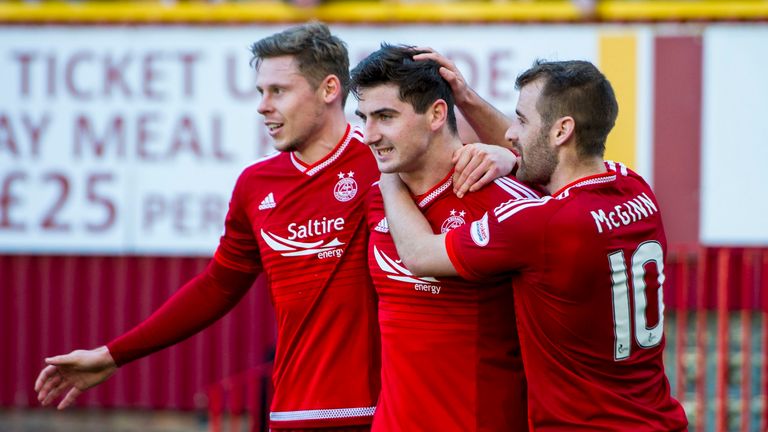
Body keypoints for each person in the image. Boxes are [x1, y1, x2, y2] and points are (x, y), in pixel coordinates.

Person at [35, 22, 381, 432]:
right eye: (260, 92)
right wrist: (113, 355)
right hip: (291, 413)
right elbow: (217, 286)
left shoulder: (384, 164)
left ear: (328, 90)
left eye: (278, 91)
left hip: (381, 412)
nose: (262, 106)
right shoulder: (256, 185)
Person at [378, 59, 689, 430]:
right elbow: (548, 169)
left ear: (562, 131)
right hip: (657, 419)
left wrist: (390, 177)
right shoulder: (634, 188)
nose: (511, 133)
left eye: (522, 121)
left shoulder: (540, 224)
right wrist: (474, 108)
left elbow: (419, 254)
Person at [352, 44, 536, 431]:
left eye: (385, 116)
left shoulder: (509, 201)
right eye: (364, 118)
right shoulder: (379, 196)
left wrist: (513, 160)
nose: (369, 135)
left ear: (437, 113)